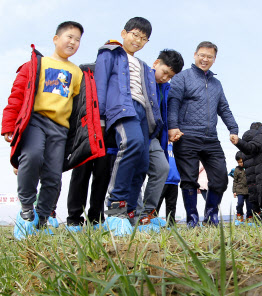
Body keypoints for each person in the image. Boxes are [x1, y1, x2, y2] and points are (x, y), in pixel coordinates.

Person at [2, 21, 104, 239]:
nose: (73, 42)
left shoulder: (76, 73)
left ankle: (42, 217)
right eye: (69, 37)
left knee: (53, 176)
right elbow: (18, 95)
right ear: (56, 38)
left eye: (77, 40)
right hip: (36, 121)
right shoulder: (36, 64)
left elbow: (80, 107)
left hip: (61, 128)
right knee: (32, 155)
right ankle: (27, 209)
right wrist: (9, 125)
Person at [95, 17, 163, 236]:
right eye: (135, 34)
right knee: (131, 143)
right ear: (124, 33)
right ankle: (116, 208)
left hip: (143, 113)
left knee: (142, 163)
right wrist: (101, 117)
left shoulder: (143, 66)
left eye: (143, 38)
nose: (138, 40)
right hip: (122, 107)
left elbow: (151, 96)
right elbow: (101, 84)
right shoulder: (110, 53)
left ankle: (131, 214)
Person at [168, 41, 239, 227]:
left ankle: (211, 215)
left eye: (209, 57)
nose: (205, 59)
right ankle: (192, 218)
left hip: (210, 138)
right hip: (186, 136)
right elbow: (173, 102)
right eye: (202, 55)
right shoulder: (182, 78)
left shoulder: (217, 84)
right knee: (189, 179)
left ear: (214, 59)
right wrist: (172, 126)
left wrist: (233, 129)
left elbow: (223, 107)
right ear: (195, 55)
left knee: (221, 178)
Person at [135, 49, 184, 231]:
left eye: (170, 76)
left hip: (154, 136)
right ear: (156, 63)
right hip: (136, 132)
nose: (165, 78)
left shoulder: (166, 88)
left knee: (162, 168)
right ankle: (134, 212)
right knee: (137, 173)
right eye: (165, 72)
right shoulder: (140, 77)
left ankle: (147, 213)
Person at [156, 141, 180, 226]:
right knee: (156, 204)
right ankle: (152, 223)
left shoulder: (177, 148)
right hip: (162, 181)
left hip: (174, 182)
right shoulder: (160, 146)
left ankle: (171, 225)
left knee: (172, 205)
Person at [232, 151, 251, 223]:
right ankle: (239, 215)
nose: (241, 164)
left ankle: (249, 217)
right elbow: (235, 181)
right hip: (240, 190)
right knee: (240, 203)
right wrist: (234, 191)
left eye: (242, 162)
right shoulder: (236, 170)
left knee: (249, 205)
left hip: (249, 190)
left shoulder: (249, 168)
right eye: (239, 162)